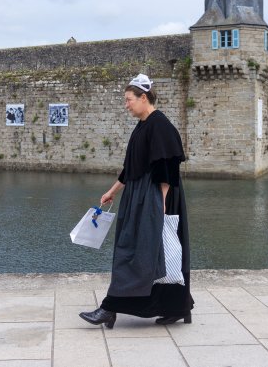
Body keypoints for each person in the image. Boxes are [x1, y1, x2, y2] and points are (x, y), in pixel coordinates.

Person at [79, 74, 194, 328]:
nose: (126, 104)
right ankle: (176, 307)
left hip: (155, 197)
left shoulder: (160, 125)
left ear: (144, 98)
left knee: (136, 252)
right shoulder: (143, 125)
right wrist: (113, 191)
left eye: (129, 99)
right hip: (141, 196)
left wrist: (161, 204)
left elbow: (168, 168)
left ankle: (109, 308)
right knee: (149, 253)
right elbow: (131, 168)